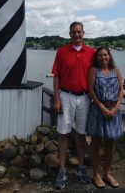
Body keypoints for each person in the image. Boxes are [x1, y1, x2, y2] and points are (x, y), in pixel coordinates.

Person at [52, 22, 96, 190]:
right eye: (73, 32)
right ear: (69, 34)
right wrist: (56, 100)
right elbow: (56, 76)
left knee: (81, 133)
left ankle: (81, 167)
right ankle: (62, 170)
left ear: (83, 33)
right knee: (63, 133)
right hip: (66, 96)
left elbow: (97, 75)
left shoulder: (91, 53)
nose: (76, 35)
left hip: (85, 98)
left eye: (79, 32)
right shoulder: (61, 52)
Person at [86, 47, 124, 189]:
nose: (103, 57)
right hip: (98, 110)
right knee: (95, 143)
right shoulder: (93, 71)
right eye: (100, 55)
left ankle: (107, 174)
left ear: (109, 56)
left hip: (114, 111)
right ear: (97, 57)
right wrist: (102, 107)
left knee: (111, 144)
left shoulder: (116, 70)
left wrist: (116, 108)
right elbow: (90, 91)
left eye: (105, 55)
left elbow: (121, 90)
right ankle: (96, 174)